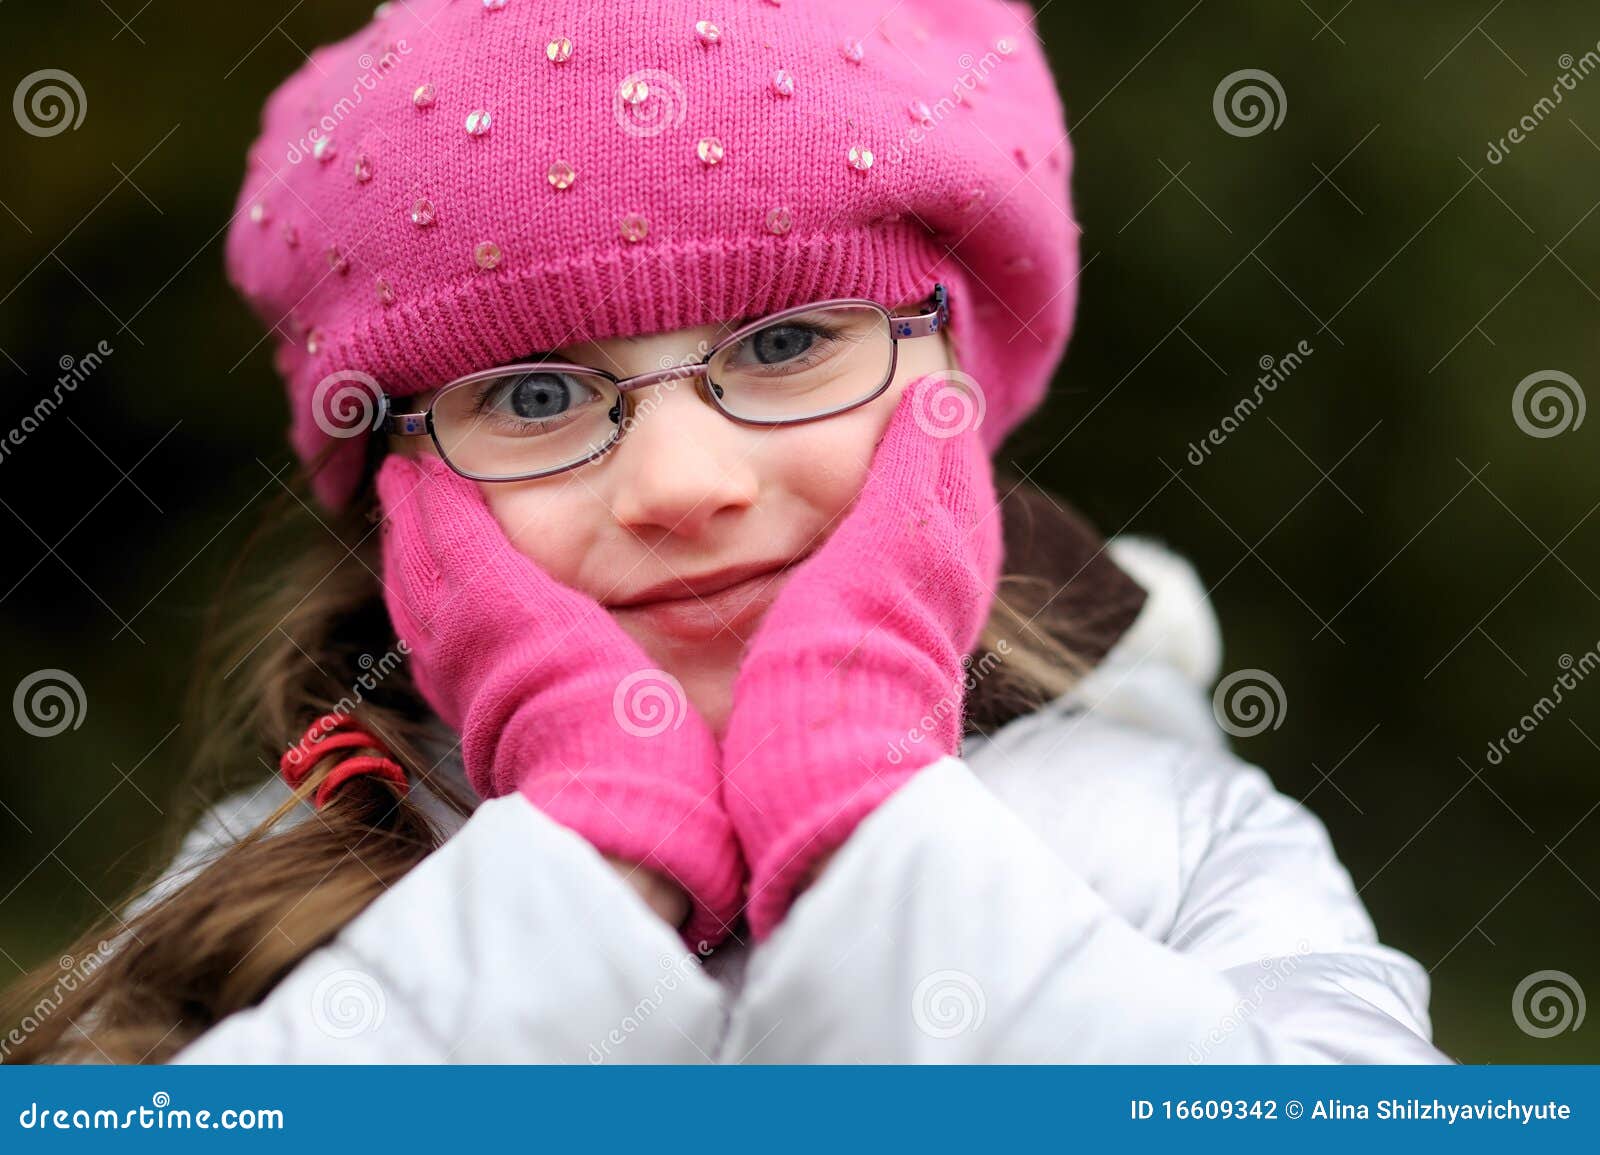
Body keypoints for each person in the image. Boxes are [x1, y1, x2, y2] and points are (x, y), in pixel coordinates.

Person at [0, 0, 1448, 1064]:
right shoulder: (268, 875)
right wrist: (583, 869)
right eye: (538, 391)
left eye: (784, 342)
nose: (681, 484)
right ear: (406, 489)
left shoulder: (1187, 841)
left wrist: (871, 824)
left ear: (959, 381)